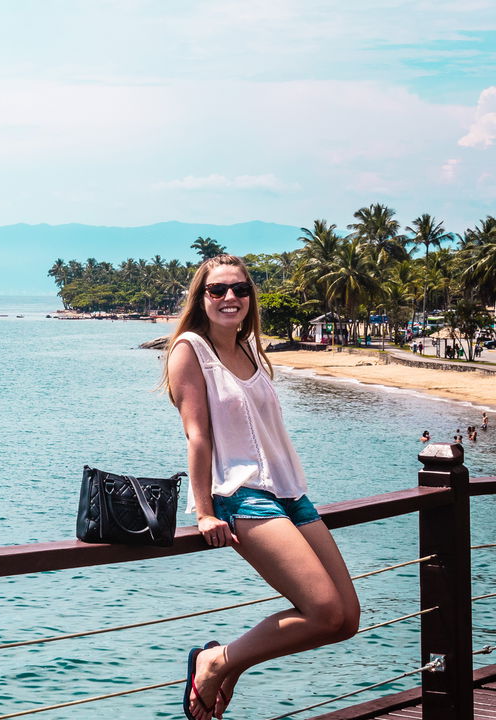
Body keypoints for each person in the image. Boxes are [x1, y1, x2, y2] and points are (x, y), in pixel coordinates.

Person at [162, 255, 359, 720]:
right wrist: (205, 511)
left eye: (239, 289)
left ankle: (223, 660)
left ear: (251, 298)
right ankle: (216, 663)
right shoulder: (190, 349)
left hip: (291, 492)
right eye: (218, 290)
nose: (230, 297)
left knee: (346, 619)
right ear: (201, 298)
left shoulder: (251, 348)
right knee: (324, 612)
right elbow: (198, 436)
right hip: (243, 494)